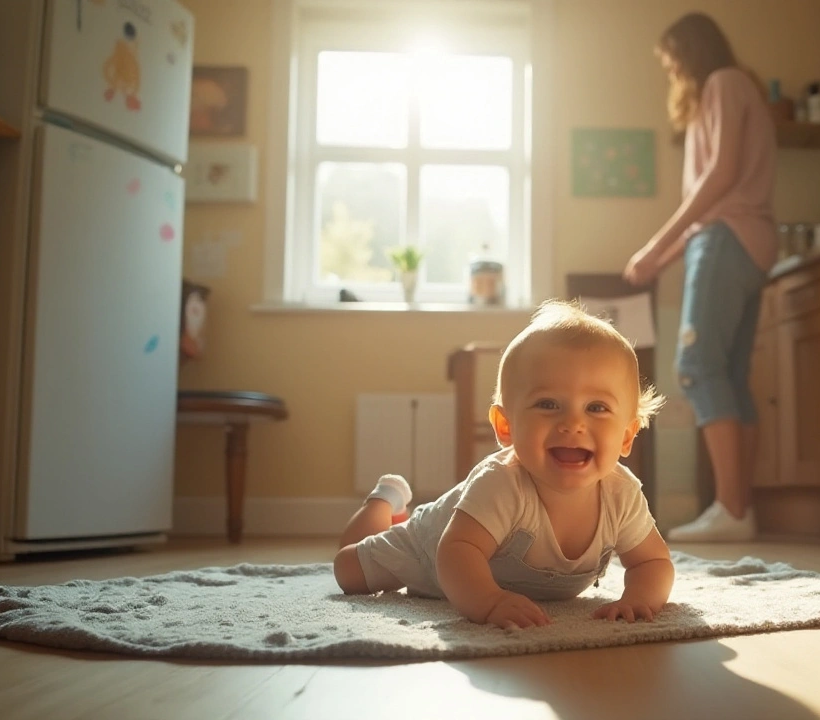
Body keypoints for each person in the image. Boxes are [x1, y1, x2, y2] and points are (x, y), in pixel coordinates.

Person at [333, 300, 675, 629]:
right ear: (505, 426)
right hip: (429, 551)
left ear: (627, 437)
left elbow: (653, 562)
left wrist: (639, 598)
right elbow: (457, 553)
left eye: (597, 408)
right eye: (548, 404)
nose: (573, 423)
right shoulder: (502, 484)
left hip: (460, 557)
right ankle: (385, 501)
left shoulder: (621, 495)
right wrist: (489, 601)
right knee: (348, 571)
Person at [623, 12, 777, 542]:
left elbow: (719, 180)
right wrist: (660, 260)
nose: (672, 72)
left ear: (689, 52)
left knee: (694, 366)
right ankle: (739, 509)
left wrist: (654, 245)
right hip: (746, 243)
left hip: (726, 240)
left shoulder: (722, 83)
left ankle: (731, 510)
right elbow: (720, 196)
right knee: (728, 375)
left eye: (671, 61)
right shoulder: (735, 89)